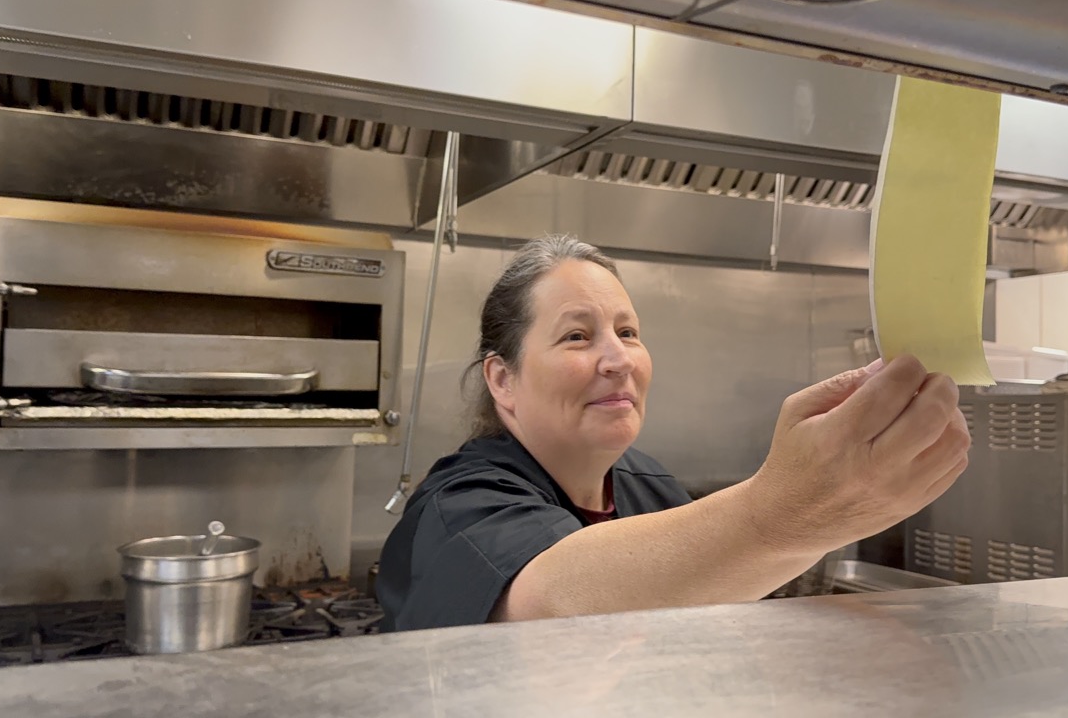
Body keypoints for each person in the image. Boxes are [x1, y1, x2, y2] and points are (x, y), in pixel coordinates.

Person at [376, 235, 970, 632]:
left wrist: (839, 508)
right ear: (503, 379)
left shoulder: (648, 488)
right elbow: (552, 601)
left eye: (629, 332)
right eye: (577, 336)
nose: (619, 359)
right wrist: (780, 511)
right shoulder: (459, 504)